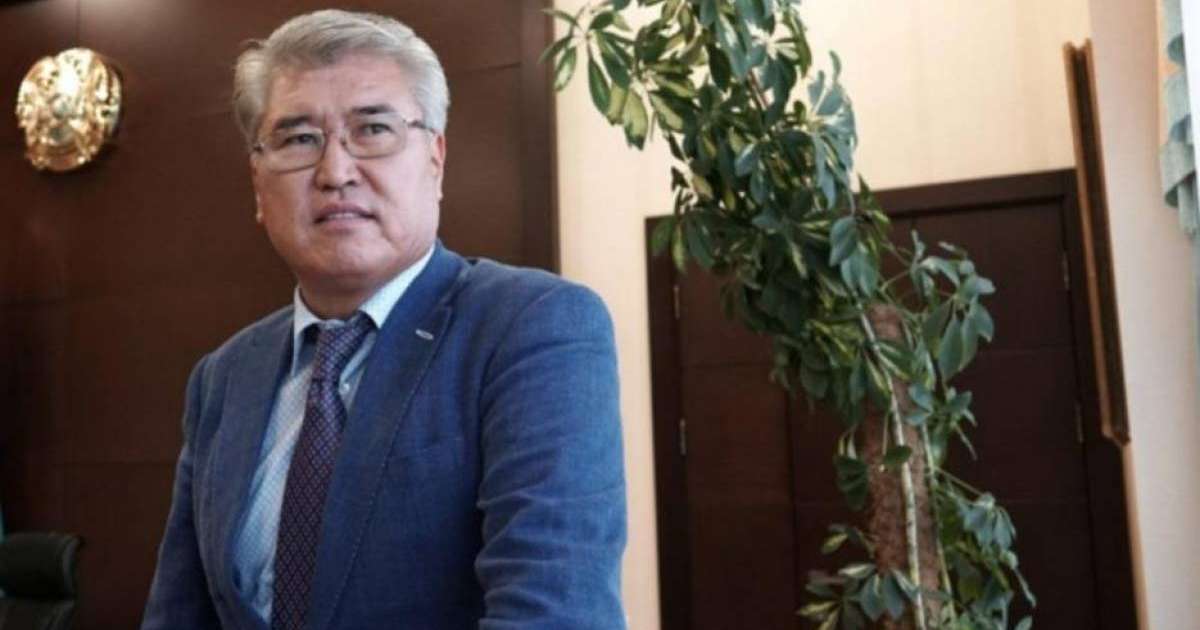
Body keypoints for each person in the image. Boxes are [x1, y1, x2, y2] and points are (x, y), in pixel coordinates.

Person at [141, 9, 627, 630]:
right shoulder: (224, 376)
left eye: (373, 129)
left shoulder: (531, 328)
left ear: (435, 159)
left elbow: (554, 612)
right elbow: (178, 615)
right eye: (298, 139)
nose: (335, 172)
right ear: (258, 185)